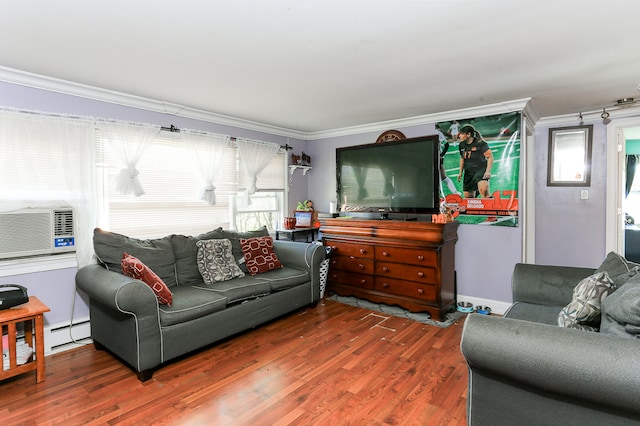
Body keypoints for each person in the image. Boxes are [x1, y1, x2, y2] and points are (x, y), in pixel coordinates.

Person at [457, 124, 494, 198]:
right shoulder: (461, 145)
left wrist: (488, 171)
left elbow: (490, 157)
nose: (459, 136)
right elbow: (462, 158)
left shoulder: (480, 143)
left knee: (484, 191)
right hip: (468, 173)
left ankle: (492, 207)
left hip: (480, 170)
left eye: (461, 134)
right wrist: (460, 172)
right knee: (468, 197)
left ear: (468, 134)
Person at [435, 125, 461, 196]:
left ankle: (455, 192)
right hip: (430, 157)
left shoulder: (437, 132)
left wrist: (441, 155)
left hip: (437, 157)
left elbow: (446, 145)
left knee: (442, 176)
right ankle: (454, 192)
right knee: (440, 176)